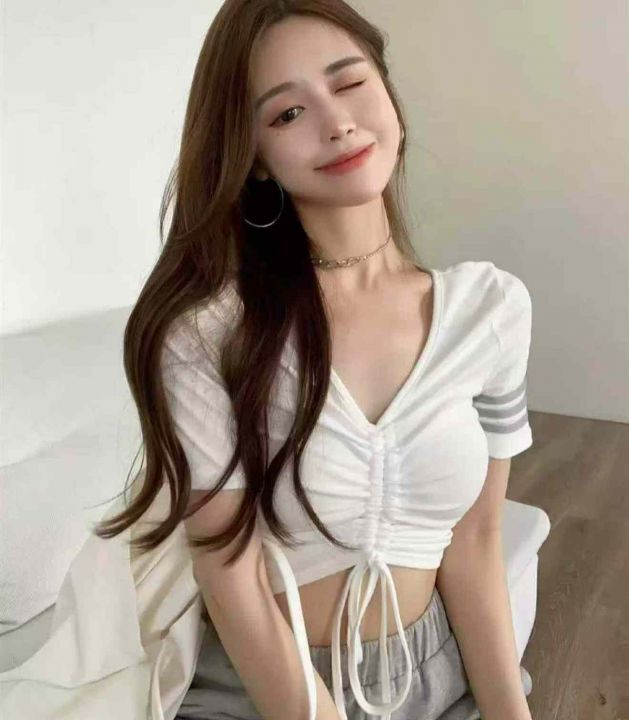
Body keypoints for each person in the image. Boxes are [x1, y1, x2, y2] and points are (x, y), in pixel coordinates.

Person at [96, 1, 535, 719]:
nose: (336, 124)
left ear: (388, 91)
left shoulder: (490, 309)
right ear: (254, 158)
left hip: (432, 673)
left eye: (350, 82)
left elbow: (477, 539)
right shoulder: (208, 333)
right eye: (287, 114)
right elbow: (228, 570)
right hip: (268, 691)